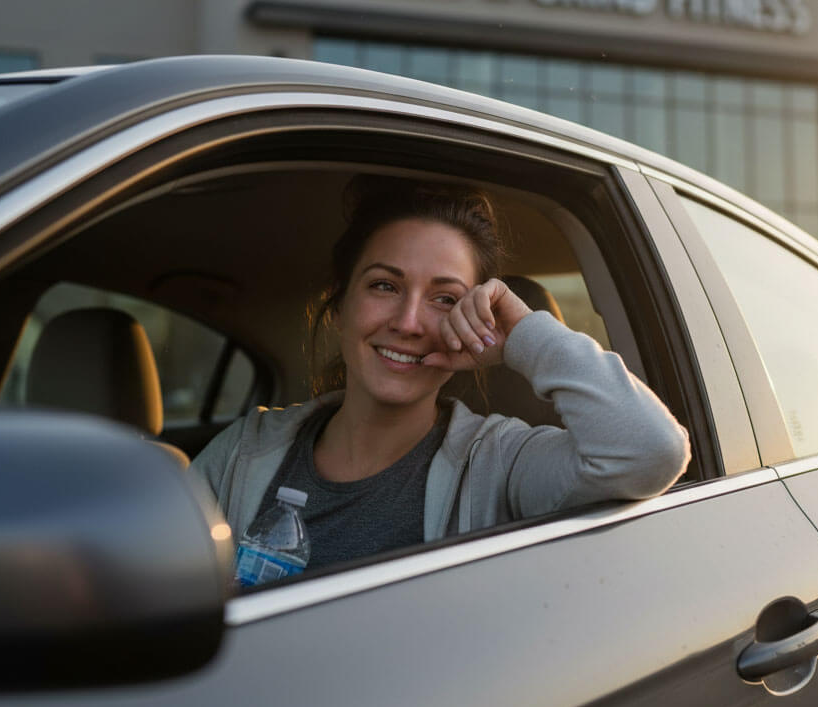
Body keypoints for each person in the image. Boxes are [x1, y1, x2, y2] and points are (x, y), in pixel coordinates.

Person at [190, 176, 690, 572]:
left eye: (446, 299)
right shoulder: (244, 449)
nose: (408, 323)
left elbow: (651, 451)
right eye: (385, 285)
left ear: (476, 323)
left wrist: (525, 337)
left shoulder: (500, 462)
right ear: (339, 307)